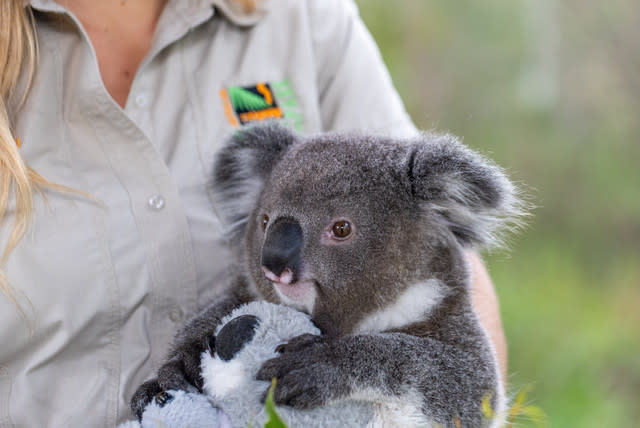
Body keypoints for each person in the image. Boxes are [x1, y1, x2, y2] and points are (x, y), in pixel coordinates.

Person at [0, 0, 507, 426]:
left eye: (339, 229)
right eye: (266, 224)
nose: (275, 263)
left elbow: (440, 249)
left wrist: (357, 367)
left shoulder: (304, 17)